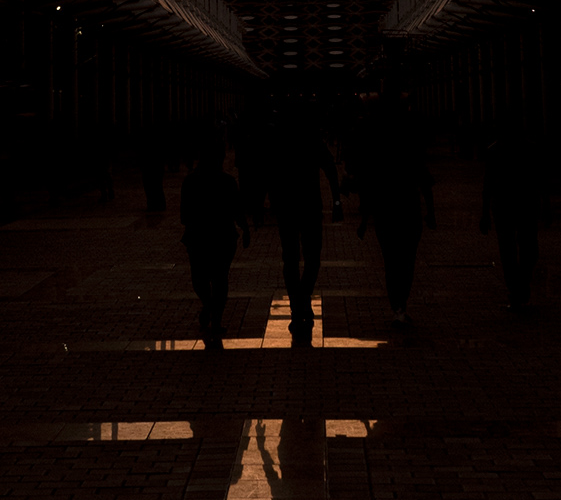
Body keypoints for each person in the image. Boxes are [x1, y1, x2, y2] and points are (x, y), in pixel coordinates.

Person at [262, 99, 340, 344]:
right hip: (310, 206)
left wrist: (263, 203)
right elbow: (330, 168)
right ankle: (303, 299)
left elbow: (268, 173)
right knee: (313, 258)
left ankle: (298, 304)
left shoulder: (278, 142)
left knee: (290, 259)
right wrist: (336, 200)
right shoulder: (311, 141)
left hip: (286, 207)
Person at [355, 115, 430, 330]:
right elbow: (425, 184)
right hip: (408, 214)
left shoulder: (379, 159)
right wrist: (431, 213)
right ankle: (401, 306)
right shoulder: (412, 157)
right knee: (406, 262)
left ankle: (397, 306)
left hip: (386, 216)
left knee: (391, 263)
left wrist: (364, 221)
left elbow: (370, 192)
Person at [179, 139, 244, 351]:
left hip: (199, 237)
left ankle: (211, 311)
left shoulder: (191, 182)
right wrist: (246, 228)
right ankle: (213, 312)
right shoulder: (227, 182)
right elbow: (236, 210)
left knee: (200, 277)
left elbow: (184, 215)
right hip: (223, 236)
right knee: (219, 278)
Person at [480, 121, 542, 315]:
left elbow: (539, 179)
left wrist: (484, 213)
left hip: (515, 204)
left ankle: (518, 286)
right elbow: (488, 182)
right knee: (520, 247)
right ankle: (518, 287)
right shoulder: (498, 151)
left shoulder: (522, 150)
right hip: (516, 204)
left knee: (518, 249)